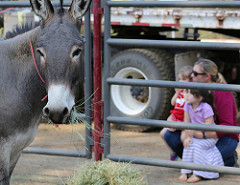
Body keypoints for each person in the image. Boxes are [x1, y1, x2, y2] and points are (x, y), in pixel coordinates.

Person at [164, 58, 239, 167]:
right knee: (170, 136)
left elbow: (227, 126)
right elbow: (182, 109)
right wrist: (173, 119)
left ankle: (228, 159)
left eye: (195, 73)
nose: (192, 76)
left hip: (222, 137)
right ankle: (199, 161)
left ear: (207, 76)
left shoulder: (222, 92)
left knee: (205, 163)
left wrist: (201, 135)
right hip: (200, 133)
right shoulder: (194, 89)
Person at [178, 89, 224, 183]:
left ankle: (198, 173)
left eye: (191, 94)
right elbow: (186, 123)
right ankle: (186, 171)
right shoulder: (187, 105)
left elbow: (208, 126)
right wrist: (188, 137)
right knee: (188, 144)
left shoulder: (206, 108)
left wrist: (195, 133)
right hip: (194, 134)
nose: (187, 95)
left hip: (208, 135)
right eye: (187, 92)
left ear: (199, 98)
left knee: (197, 146)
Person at [160, 65, 192, 161]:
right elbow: (173, 103)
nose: (180, 82)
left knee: (183, 138)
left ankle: (188, 159)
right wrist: (177, 93)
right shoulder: (179, 92)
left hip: (184, 121)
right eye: (179, 79)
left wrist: (185, 93)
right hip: (176, 118)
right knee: (162, 133)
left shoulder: (190, 92)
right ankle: (173, 152)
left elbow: (188, 103)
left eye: (184, 79)